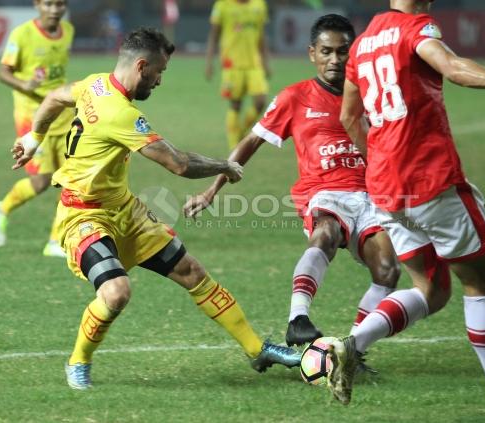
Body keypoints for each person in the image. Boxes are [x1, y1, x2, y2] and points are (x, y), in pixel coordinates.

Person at [11, 27, 300, 390]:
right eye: (159, 72)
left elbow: (55, 97)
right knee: (116, 292)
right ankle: (78, 361)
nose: (160, 81)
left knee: (192, 272)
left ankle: (257, 350)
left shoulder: (95, 84)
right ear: (142, 65)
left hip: (125, 210)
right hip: (82, 215)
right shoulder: (120, 113)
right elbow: (178, 164)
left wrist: (33, 138)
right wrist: (224, 166)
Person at [326, 0, 485, 413]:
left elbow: (348, 115)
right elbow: (452, 68)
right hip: (429, 181)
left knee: (431, 290)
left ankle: (351, 345)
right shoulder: (417, 28)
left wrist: (380, 158)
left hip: (385, 191)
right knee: (480, 282)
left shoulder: (362, 43)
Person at [185, 14, 451, 358]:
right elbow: (251, 142)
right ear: (312, 53)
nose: (335, 60)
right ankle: (298, 319)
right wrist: (213, 189)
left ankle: (350, 352)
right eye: (326, 51)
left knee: (388, 269)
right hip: (323, 192)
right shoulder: (295, 97)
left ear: (354, 53)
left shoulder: (372, 96)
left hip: (373, 195)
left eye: (343, 52)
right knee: (325, 233)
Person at [0, 0, 73, 257]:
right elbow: (3, 72)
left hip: (63, 115)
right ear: (37, 5)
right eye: (49, 4)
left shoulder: (68, 30)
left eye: (60, 4)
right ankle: (2, 209)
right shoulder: (22, 34)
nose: (55, 10)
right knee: (41, 181)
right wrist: (25, 85)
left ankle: (55, 242)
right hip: (32, 118)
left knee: (72, 180)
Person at [205, 0, 271, 150]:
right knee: (236, 104)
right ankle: (234, 145)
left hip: (255, 64)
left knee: (260, 102)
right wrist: (209, 62)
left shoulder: (259, 5)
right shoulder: (222, 5)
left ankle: (240, 133)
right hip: (232, 64)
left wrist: (266, 61)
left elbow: (261, 35)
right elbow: (214, 35)